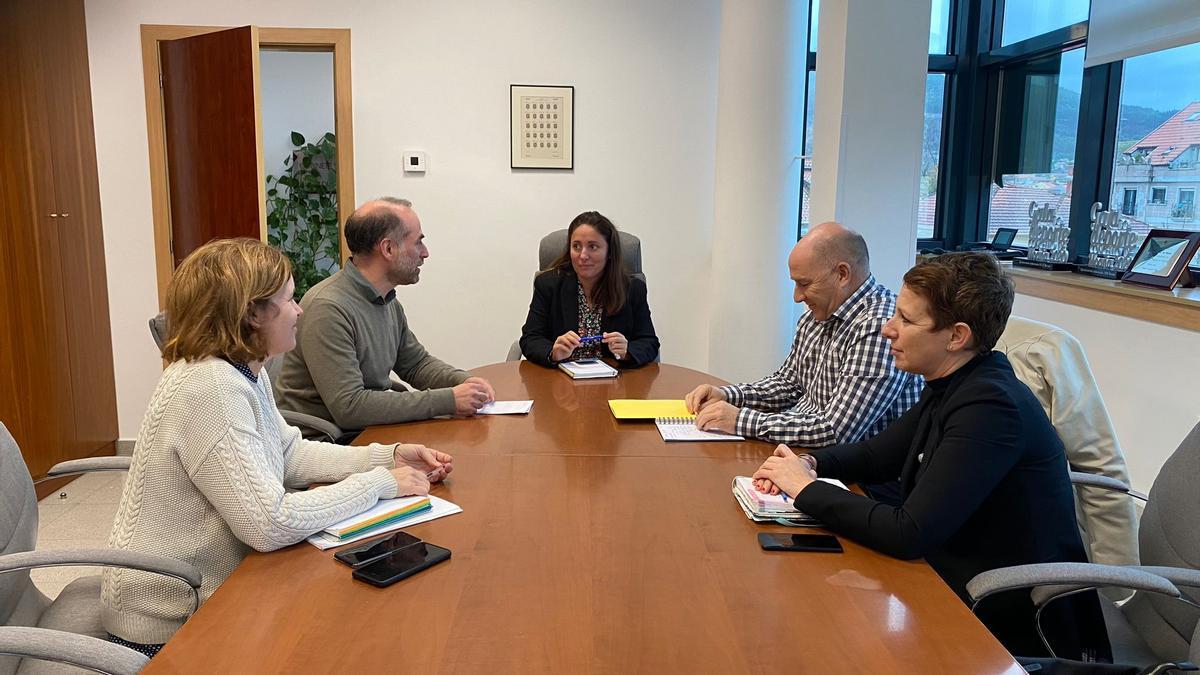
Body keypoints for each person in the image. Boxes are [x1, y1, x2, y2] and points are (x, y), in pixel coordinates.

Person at [752, 252, 1111, 661]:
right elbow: (875, 455)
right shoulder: (953, 383)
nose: (888, 329)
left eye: (906, 320)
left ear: (956, 336)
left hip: (1003, 616)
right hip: (947, 573)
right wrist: (814, 464)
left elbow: (908, 532)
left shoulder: (991, 407)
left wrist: (805, 488)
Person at [101, 238, 453, 653]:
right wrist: (379, 483)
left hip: (221, 583)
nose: (300, 310)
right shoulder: (211, 388)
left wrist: (387, 455)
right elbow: (269, 524)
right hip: (168, 617)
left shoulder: (245, 368)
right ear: (252, 312)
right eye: (288, 299)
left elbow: (289, 454)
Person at [685, 222, 921, 448]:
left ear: (842, 274)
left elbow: (835, 431)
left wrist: (740, 420)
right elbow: (787, 385)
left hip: (859, 479)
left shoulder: (878, 326)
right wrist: (726, 395)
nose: (797, 297)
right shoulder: (816, 316)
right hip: (806, 453)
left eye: (805, 284)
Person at [275, 198, 495, 434]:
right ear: (388, 249)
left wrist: (462, 381)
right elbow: (350, 408)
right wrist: (449, 400)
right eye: (418, 242)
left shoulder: (387, 299)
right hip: (329, 441)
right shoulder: (329, 308)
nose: (425, 253)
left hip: (368, 431)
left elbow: (416, 364)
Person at [519, 211, 660, 367]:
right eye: (576, 246)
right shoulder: (548, 285)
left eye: (593, 247)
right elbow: (530, 339)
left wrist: (627, 351)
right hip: (560, 382)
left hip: (615, 381)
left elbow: (649, 342)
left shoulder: (632, 289)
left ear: (609, 252)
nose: (583, 255)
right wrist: (553, 352)